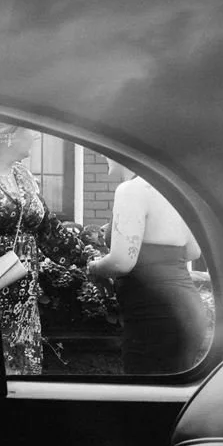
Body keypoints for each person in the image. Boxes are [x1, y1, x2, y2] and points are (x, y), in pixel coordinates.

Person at [0, 120, 93, 375]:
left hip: (22, 293)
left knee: (21, 374)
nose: (35, 137)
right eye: (29, 130)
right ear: (9, 135)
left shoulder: (23, 175)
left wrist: (87, 257)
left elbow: (48, 228)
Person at [84, 154, 209, 373]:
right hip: (188, 313)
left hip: (153, 316)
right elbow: (192, 251)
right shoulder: (174, 189)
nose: (104, 155)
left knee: (144, 397)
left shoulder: (131, 190)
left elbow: (121, 262)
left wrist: (93, 267)